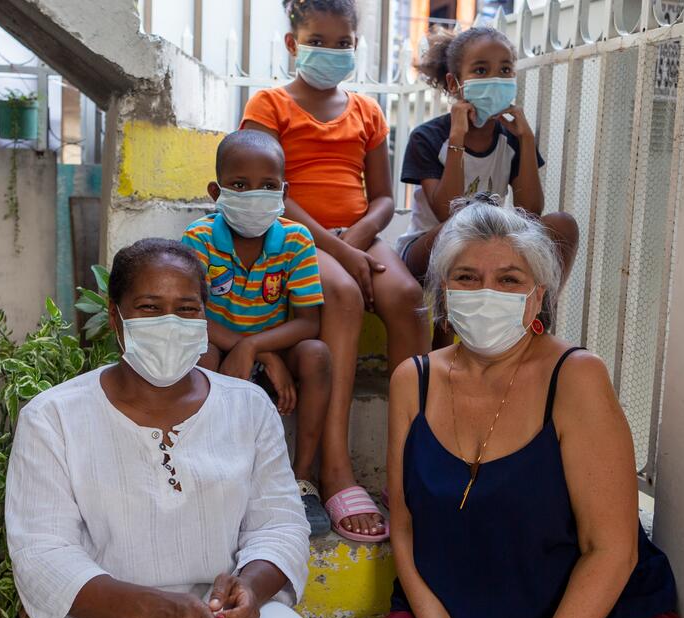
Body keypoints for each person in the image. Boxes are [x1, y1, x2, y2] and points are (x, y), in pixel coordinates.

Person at [341, 196, 682, 618]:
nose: (487, 292)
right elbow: (405, 526)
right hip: (457, 614)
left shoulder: (575, 376)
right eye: (466, 277)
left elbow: (611, 550)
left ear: (537, 297)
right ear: (442, 290)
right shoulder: (412, 380)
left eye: (508, 279)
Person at [6, 238, 336, 618]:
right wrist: (149, 609)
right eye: (148, 307)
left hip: (223, 614)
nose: (170, 322)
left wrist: (249, 592)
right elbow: (43, 553)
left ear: (205, 316)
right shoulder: (53, 418)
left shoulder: (249, 407)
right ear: (115, 318)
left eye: (186, 309)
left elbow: (279, 522)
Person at [241, 0, 430, 542]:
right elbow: (271, 192)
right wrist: (342, 251)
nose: (332, 51)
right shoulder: (270, 105)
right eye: (318, 40)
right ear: (291, 44)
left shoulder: (367, 113)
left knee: (408, 299)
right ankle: (335, 467)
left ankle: (411, 460)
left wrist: (358, 240)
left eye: (343, 42)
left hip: (358, 236)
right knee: (344, 296)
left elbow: (386, 198)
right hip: (296, 237)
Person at [184, 129, 334, 537]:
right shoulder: (198, 240)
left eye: (268, 186)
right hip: (223, 352)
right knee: (202, 356)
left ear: (284, 190)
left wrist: (258, 348)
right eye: (239, 185)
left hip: (274, 354)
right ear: (216, 191)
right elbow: (192, 313)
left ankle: (300, 483)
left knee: (317, 353)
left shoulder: (295, 239)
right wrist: (251, 350)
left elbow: (308, 321)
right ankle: (217, 478)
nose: (254, 195)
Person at [398, 26, 579, 346]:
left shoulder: (511, 138)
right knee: (458, 226)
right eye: (481, 70)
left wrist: (525, 139)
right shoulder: (428, 137)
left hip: (486, 247)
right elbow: (445, 210)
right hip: (425, 250)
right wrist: (457, 139)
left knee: (561, 223)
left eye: (505, 69)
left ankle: (537, 324)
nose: (496, 78)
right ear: (456, 83)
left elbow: (530, 212)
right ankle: (444, 363)